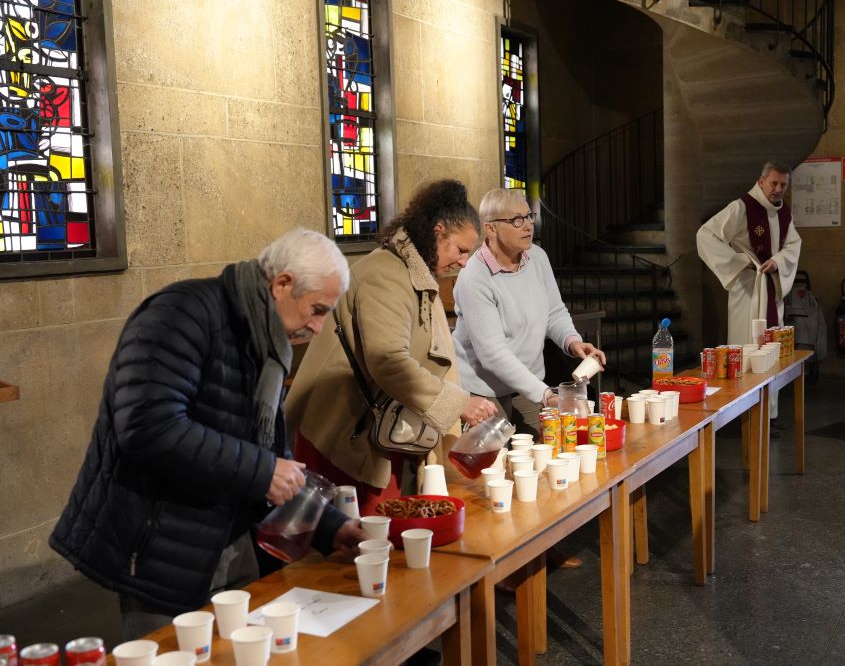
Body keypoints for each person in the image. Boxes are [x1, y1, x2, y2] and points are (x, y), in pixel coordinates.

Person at [49, 228, 367, 639]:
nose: (319, 327)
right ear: (282, 284)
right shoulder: (180, 314)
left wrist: (331, 526)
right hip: (163, 549)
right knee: (173, 654)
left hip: (232, 542)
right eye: (317, 310)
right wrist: (261, 471)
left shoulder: (268, 340)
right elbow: (148, 427)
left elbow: (272, 453)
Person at [285, 179, 497, 514]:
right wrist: (458, 403)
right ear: (438, 232)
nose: (464, 262)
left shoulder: (415, 272)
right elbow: (388, 361)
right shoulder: (385, 273)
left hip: (380, 428)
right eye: (460, 250)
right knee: (356, 536)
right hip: (343, 431)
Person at [451, 188, 605, 438]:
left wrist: (572, 341)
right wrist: (545, 395)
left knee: (545, 446)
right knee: (497, 458)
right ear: (490, 228)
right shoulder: (474, 277)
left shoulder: (537, 258)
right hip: (483, 390)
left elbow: (554, 311)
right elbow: (493, 354)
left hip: (528, 383)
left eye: (529, 216)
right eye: (516, 220)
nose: (527, 225)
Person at [697, 161, 802, 420]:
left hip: (771, 289)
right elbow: (705, 235)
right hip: (747, 289)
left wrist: (778, 261)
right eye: (774, 183)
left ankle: (769, 413)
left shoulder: (784, 213)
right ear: (761, 181)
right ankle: (743, 414)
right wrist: (739, 261)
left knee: (771, 349)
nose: (778, 189)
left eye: (783, 185)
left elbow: (793, 245)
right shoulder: (742, 207)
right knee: (746, 347)